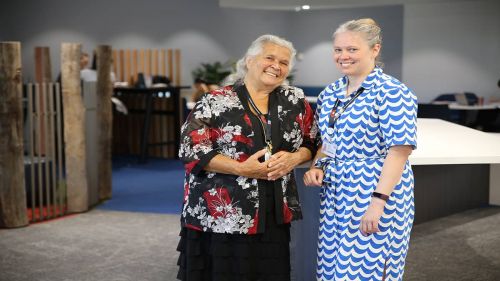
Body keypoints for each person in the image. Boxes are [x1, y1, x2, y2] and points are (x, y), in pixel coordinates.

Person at [176, 34, 316, 281]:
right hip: (221, 214)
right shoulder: (216, 101)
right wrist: (241, 169)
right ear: (250, 61)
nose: (277, 66)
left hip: (272, 211)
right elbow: (190, 149)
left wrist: (295, 159)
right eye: (269, 57)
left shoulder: (294, 100)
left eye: (284, 62)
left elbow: (312, 142)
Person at [303, 18, 417, 281]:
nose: (343, 56)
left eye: (352, 49)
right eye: (338, 49)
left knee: (367, 272)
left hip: (376, 193)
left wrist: (378, 203)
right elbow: (327, 140)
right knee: (332, 270)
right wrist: (317, 166)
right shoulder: (331, 92)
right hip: (337, 195)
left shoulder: (392, 92)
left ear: (374, 50)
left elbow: (399, 151)